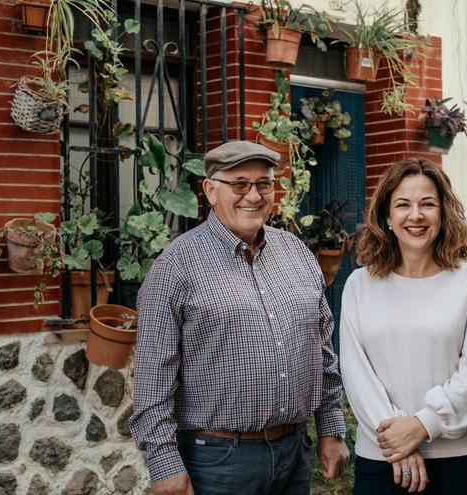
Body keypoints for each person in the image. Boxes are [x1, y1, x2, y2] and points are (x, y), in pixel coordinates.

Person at [130, 141, 349, 495]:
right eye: (239, 184)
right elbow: (153, 377)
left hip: (294, 453)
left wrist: (330, 428)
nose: (254, 195)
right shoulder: (176, 266)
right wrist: (164, 464)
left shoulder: (297, 254)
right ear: (210, 190)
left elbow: (320, 352)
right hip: (217, 463)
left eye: (264, 183)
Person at [340, 158, 467, 494]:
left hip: (464, 459)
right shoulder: (358, 284)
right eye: (403, 205)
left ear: (443, 213)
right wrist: (398, 439)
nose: (416, 215)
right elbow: (356, 373)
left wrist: (422, 425)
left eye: (428, 204)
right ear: (386, 216)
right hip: (383, 458)